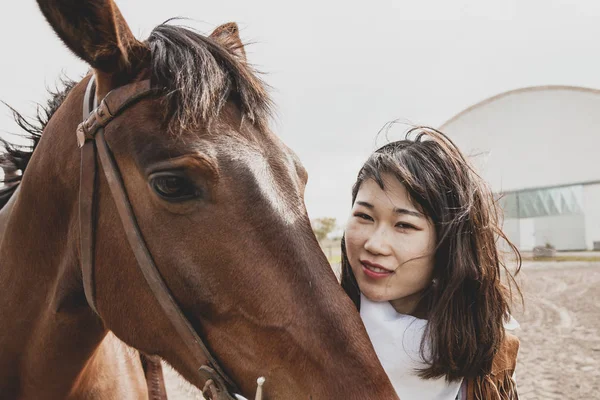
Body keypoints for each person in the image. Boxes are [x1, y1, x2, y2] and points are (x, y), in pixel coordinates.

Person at [340, 126, 522, 400]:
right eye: (365, 217)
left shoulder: (490, 353)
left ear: (449, 243)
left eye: (404, 225)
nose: (374, 244)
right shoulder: (308, 330)